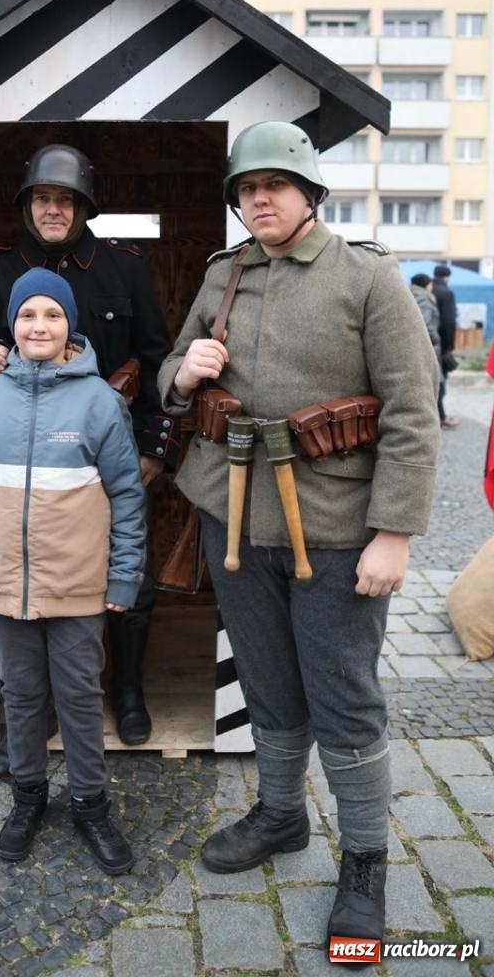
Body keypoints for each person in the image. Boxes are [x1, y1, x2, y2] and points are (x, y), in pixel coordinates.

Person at [157, 121, 440, 955]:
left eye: (275, 185)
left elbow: (414, 413)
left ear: (310, 192)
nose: (260, 200)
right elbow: (174, 376)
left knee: (343, 695)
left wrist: (395, 533)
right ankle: (282, 814)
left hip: (338, 528)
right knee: (268, 682)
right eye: (247, 189)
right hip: (235, 521)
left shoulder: (368, 276)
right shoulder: (225, 275)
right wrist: (184, 373)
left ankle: (365, 862)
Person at [0, 143, 178, 755]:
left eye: (65, 199)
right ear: (27, 205)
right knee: (34, 577)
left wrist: (152, 449)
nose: (53, 210)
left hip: (112, 450)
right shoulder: (0, 269)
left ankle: (129, 690)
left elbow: (158, 359)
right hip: (32, 456)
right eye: (42, 198)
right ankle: (39, 713)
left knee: (130, 574)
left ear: (84, 207)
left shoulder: (124, 267)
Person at [0, 269, 145, 873]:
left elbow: (127, 495)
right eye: (27, 315)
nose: (39, 326)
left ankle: (90, 804)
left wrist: (124, 576)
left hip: (78, 583)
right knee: (22, 695)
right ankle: (27, 796)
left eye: (52, 315)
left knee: (80, 696)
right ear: (12, 324)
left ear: (70, 324)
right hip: (5, 582)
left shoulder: (100, 401)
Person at [432, 263, 460, 427]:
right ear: (447, 277)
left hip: (424, 341)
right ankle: (440, 417)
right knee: (440, 380)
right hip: (440, 343)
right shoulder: (446, 293)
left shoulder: (428, 289)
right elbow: (449, 322)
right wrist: (449, 346)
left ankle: (435, 415)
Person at [410, 274, 443, 369]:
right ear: (427, 285)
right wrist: (436, 339)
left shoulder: (410, 296)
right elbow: (424, 323)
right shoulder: (423, 299)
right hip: (428, 344)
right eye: (431, 284)